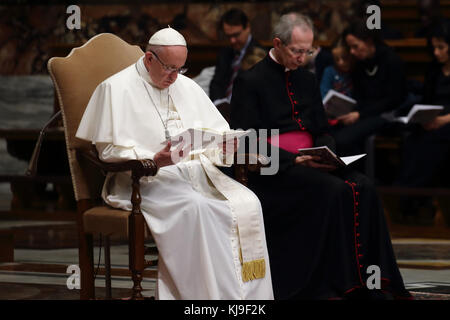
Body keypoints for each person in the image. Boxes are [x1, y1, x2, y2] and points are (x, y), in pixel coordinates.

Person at [75, 27, 273, 300]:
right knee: (199, 208)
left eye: (181, 68)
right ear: (148, 59)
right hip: (144, 180)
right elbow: (107, 150)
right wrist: (153, 160)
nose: (175, 77)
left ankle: (239, 298)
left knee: (247, 202)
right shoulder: (115, 88)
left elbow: (215, 134)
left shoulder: (185, 85)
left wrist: (224, 146)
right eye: (169, 68)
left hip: (194, 175)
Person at [230, 13, 411, 300]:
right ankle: (338, 283)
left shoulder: (308, 79)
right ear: (278, 44)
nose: (303, 57)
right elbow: (246, 140)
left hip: (311, 161)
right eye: (297, 51)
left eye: (309, 50)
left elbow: (322, 129)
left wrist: (326, 153)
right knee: (335, 190)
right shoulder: (250, 81)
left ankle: (373, 282)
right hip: (272, 168)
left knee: (364, 185)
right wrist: (293, 160)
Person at [394, 19, 450, 221]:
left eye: (441, 48)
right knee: (412, 140)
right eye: (434, 47)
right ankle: (409, 199)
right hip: (434, 118)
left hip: (447, 121)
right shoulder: (434, 69)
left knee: (433, 142)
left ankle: (408, 196)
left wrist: (442, 120)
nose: (436, 53)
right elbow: (428, 99)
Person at [332, 19, 407, 157]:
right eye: (350, 48)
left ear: (369, 41)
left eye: (355, 46)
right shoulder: (360, 63)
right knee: (330, 134)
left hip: (386, 115)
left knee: (342, 139)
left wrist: (360, 114)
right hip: (364, 113)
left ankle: (356, 176)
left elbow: (394, 99)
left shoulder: (392, 60)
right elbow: (359, 96)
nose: (352, 52)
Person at [209, 8, 265, 105]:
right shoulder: (225, 52)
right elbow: (216, 83)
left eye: (236, 35)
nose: (232, 41)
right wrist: (219, 103)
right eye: (228, 36)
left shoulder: (261, 53)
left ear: (247, 27)